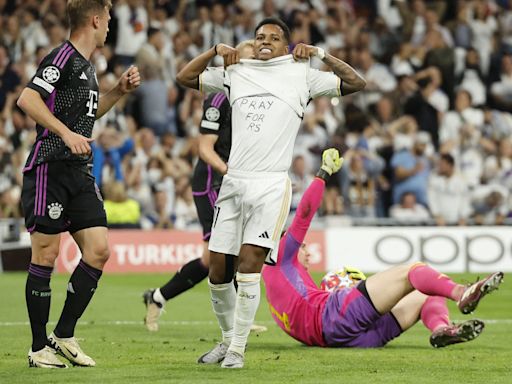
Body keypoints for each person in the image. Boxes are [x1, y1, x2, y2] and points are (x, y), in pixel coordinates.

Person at [176, 17, 366, 368]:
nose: (265, 41)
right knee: (218, 269)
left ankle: (237, 350)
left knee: (249, 267)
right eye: (260, 36)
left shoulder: (302, 74)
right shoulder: (236, 71)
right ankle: (225, 340)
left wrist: (321, 53)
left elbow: (356, 82)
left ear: (286, 46)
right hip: (234, 182)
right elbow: (184, 78)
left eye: (274, 38)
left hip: (270, 184)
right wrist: (215, 51)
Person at [263, 149, 504, 349]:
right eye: (302, 246)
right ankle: (462, 292)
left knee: (429, 292)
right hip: (337, 318)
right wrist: (323, 174)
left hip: (345, 339)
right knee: (412, 271)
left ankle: (442, 329)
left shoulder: (276, 294)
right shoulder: (281, 252)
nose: (306, 250)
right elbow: (304, 214)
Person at [16, 0, 140, 369]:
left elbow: (88, 115)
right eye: (108, 20)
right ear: (95, 20)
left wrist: (117, 91)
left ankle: (65, 334)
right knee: (46, 256)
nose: (110, 27)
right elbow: (28, 98)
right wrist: (65, 133)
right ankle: (39, 347)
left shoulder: (88, 67)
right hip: (49, 168)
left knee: (99, 250)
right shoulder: (63, 57)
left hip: (79, 172)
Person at [142, 40, 256, 332]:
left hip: (232, 180)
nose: (256, 59)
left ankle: (158, 298)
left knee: (221, 255)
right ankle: (159, 298)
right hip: (211, 181)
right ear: (233, 64)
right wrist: (228, 172)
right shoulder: (220, 97)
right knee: (218, 254)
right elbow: (204, 148)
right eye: (250, 55)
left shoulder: (251, 96)